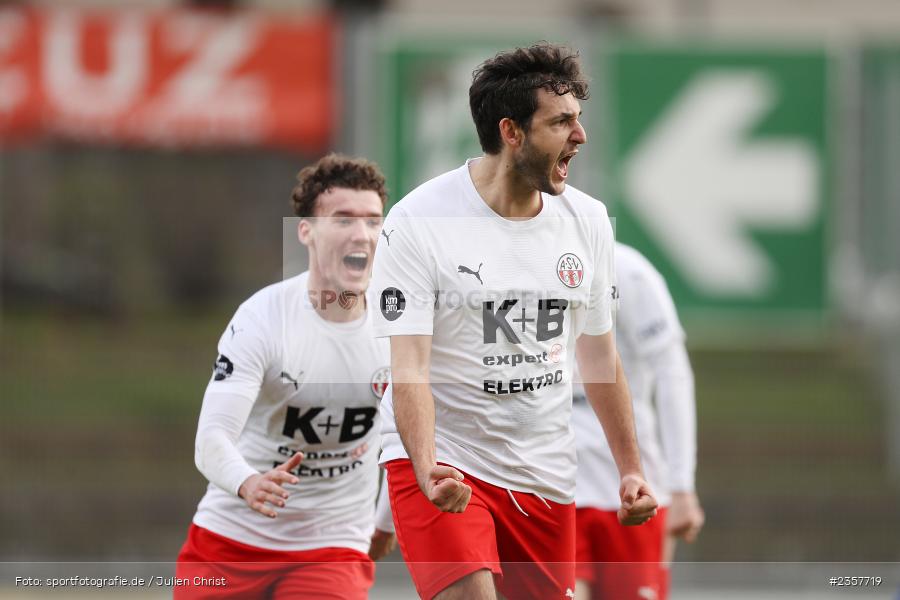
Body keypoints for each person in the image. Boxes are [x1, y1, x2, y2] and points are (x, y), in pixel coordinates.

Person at [370, 43, 658, 600]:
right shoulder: (418, 221)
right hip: (445, 462)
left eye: (578, 119)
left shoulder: (588, 220)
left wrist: (630, 469)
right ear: (511, 132)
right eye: (561, 122)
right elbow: (409, 369)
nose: (580, 135)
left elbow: (600, 357)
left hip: (542, 473)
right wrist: (426, 467)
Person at [175, 154, 396, 600]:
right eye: (343, 219)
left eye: (373, 221)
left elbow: (412, 435)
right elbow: (211, 438)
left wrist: (384, 523)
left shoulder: (401, 322)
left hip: (333, 544)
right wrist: (248, 482)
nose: (361, 234)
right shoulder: (263, 318)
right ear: (306, 232)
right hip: (233, 536)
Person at [573, 242, 705, 600]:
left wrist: (681, 486)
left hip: (630, 492)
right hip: (548, 482)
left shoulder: (629, 271)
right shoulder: (518, 262)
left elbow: (672, 373)